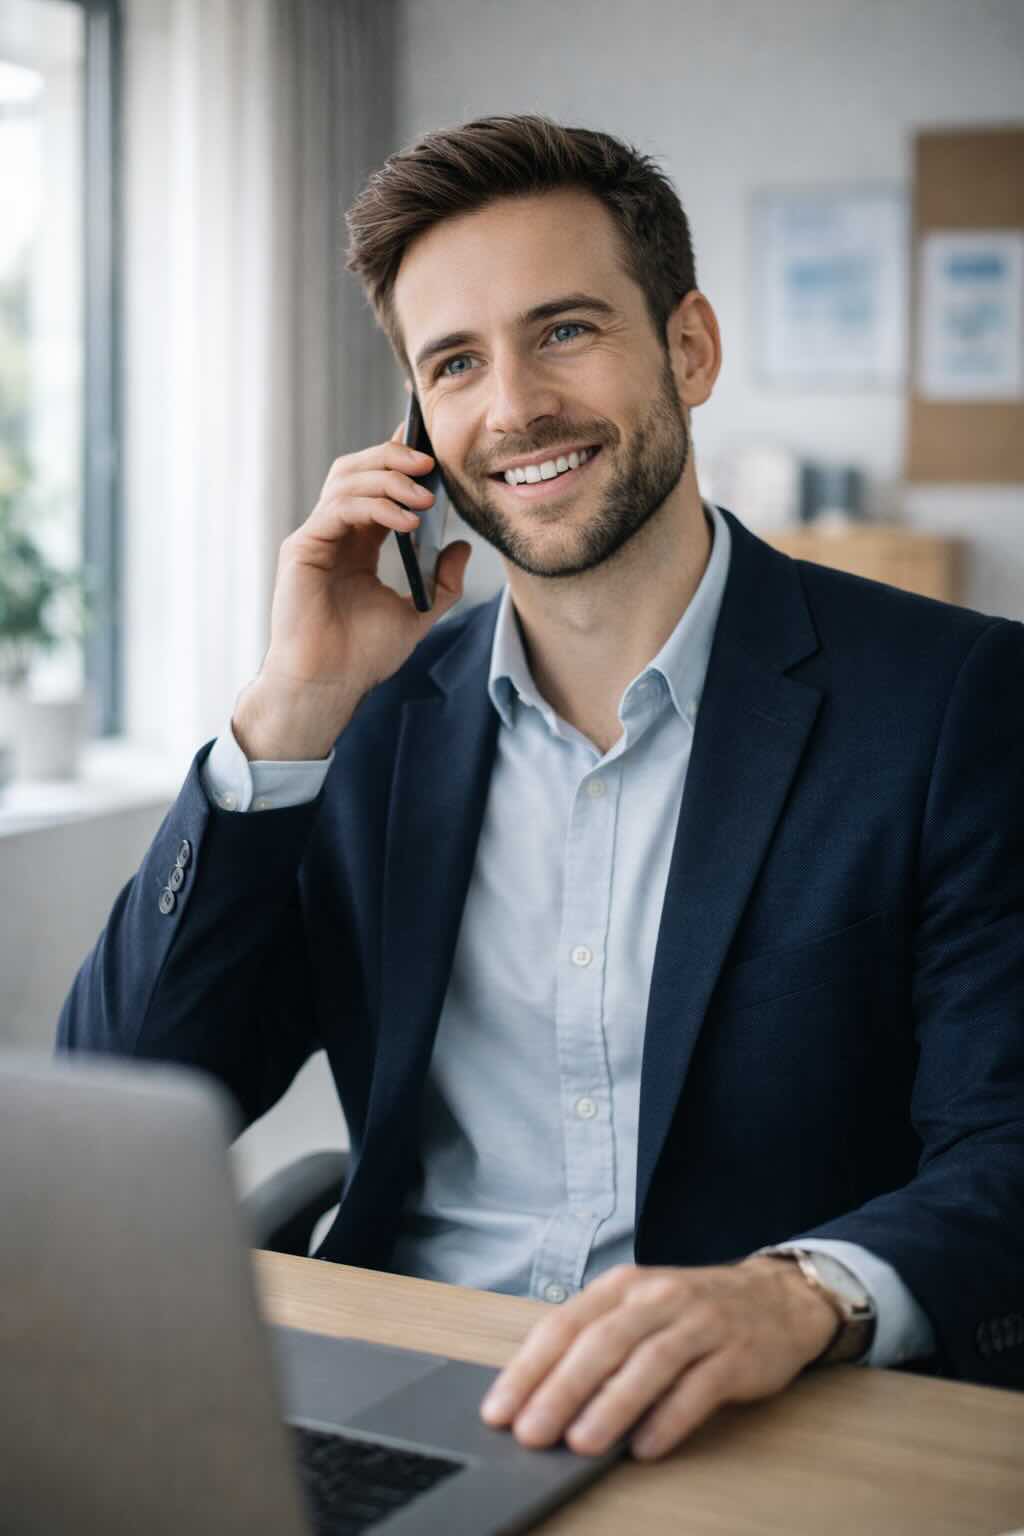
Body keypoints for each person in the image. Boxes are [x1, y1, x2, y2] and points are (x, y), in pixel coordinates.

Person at [58, 114, 1024, 1461]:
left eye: (565, 330)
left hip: (755, 1412)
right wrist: (287, 715)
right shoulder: (369, 721)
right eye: (454, 363)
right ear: (416, 425)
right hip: (409, 1393)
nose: (512, 407)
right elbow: (122, 1094)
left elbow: (1008, 1151)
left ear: (689, 348)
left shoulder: (956, 700)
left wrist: (794, 1294)